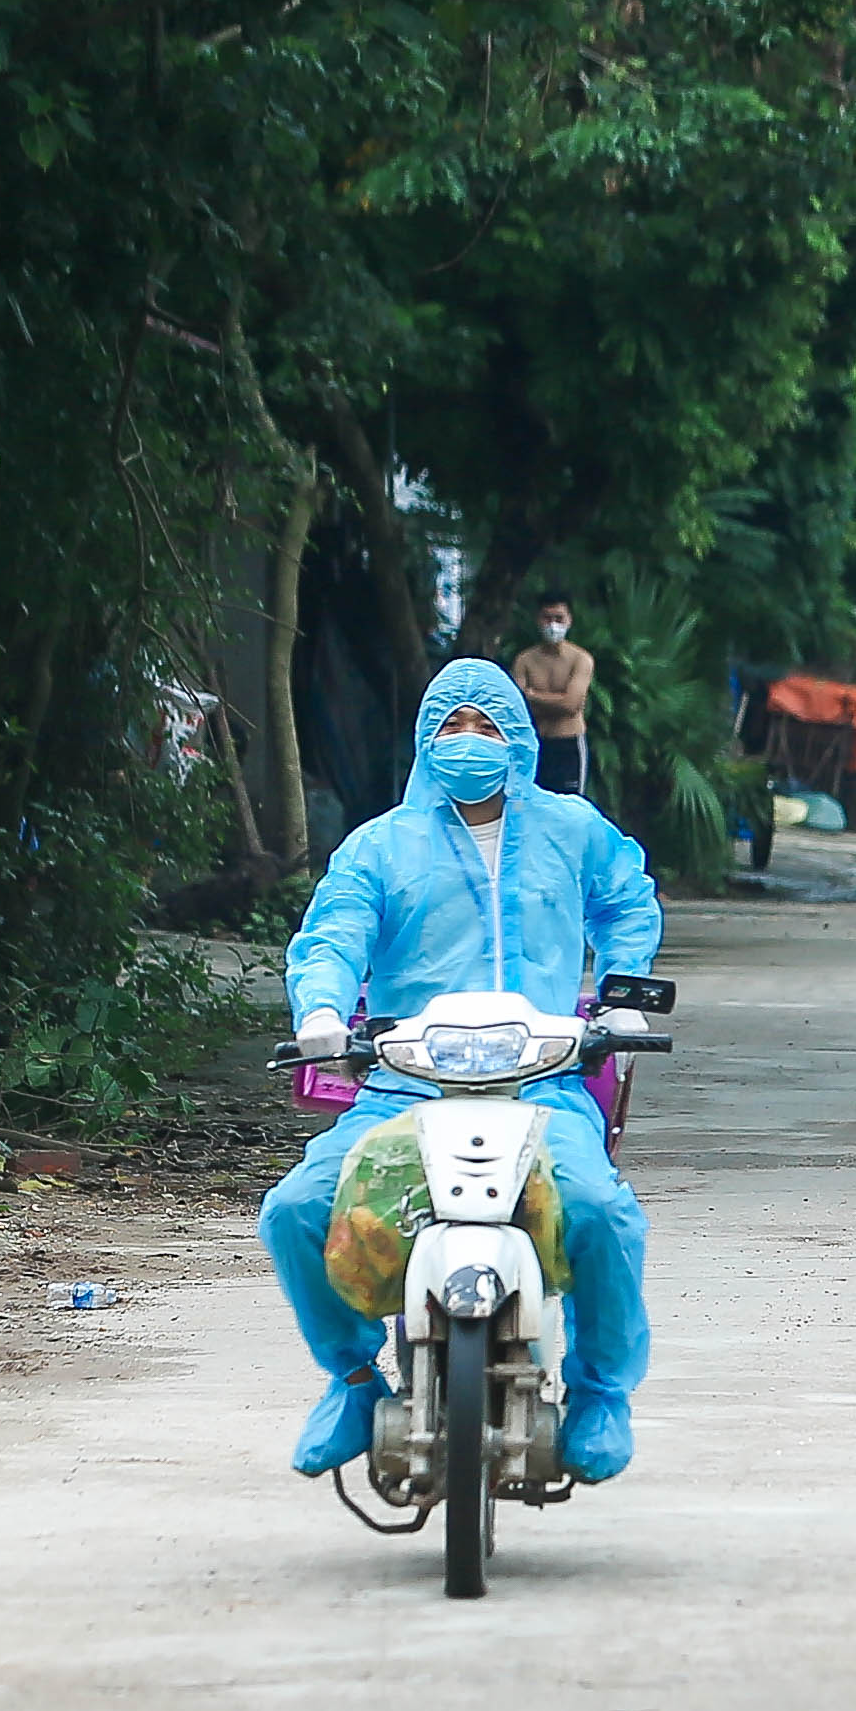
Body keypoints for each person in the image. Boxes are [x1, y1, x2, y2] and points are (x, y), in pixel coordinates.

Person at [260, 660, 663, 1483]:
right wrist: (322, 1016)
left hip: (543, 1082)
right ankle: (350, 1381)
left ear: (518, 738)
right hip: (405, 1086)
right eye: (453, 727)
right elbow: (332, 935)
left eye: (487, 726)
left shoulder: (572, 830)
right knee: (297, 1209)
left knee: (599, 1214)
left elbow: (626, 901)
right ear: (424, 740)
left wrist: (621, 994)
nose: (470, 743)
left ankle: (598, 1394)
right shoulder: (380, 846)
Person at [512, 595, 597, 797]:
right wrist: (556, 700)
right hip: (536, 745)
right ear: (538, 620)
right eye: (547, 618)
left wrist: (532, 695)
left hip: (569, 746)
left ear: (569, 620)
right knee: (531, 806)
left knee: (573, 809)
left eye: (559, 618)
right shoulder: (525, 660)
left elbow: (571, 704)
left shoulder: (580, 659)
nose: (553, 625)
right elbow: (519, 706)